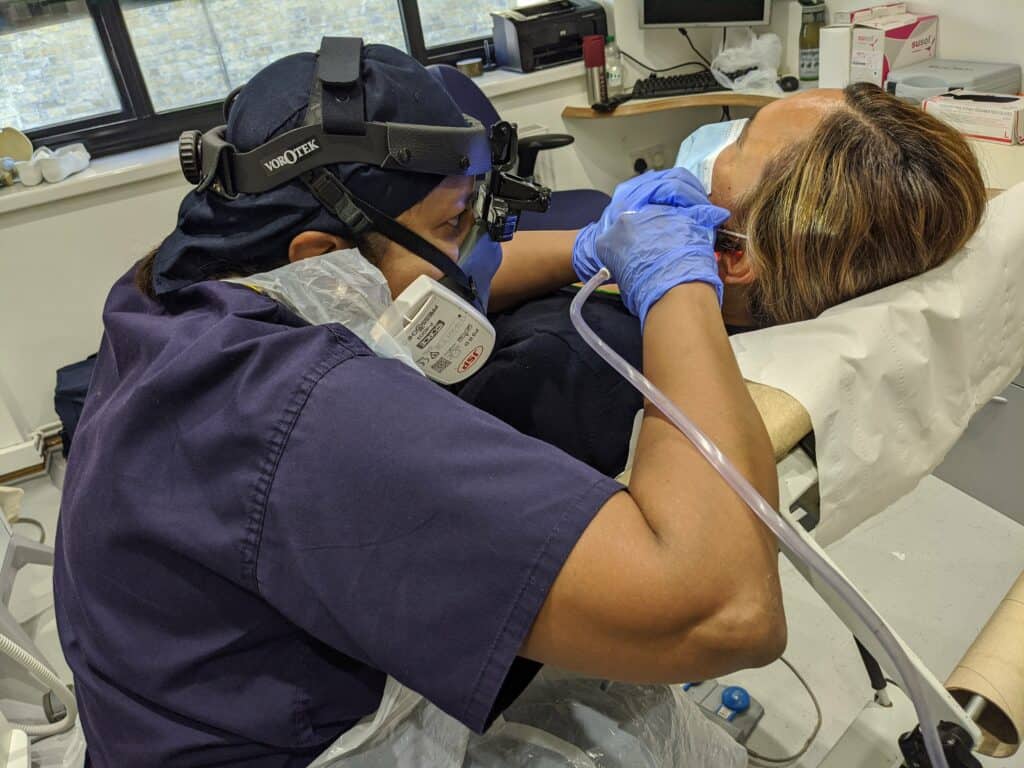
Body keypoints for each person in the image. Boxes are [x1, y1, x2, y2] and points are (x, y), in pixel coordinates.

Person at [53, 42, 784, 766]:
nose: (477, 250)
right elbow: (727, 611)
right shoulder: (306, 414)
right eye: (453, 224)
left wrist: (593, 244)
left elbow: (405, 284)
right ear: (321, 257)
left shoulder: (174, 291)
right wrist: (680, 287)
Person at [458, 83, 988, 476]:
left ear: (734, 258)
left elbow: (422, 306)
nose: (720, 140)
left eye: (742, 140)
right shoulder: (743, 336)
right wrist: (588, 244)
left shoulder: (566, 367)